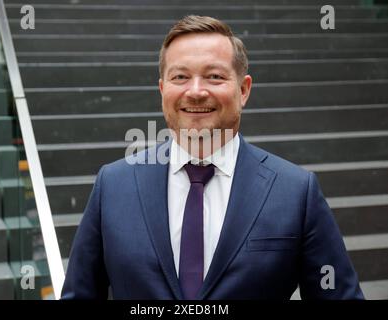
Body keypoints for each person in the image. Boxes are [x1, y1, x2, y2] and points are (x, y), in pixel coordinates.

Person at [61, 15, 363, 300]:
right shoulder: (113, 185)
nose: (195, 91)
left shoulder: (296, 191)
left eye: (214, 76)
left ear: (243, 90)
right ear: (162, 89)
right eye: (180, 77)